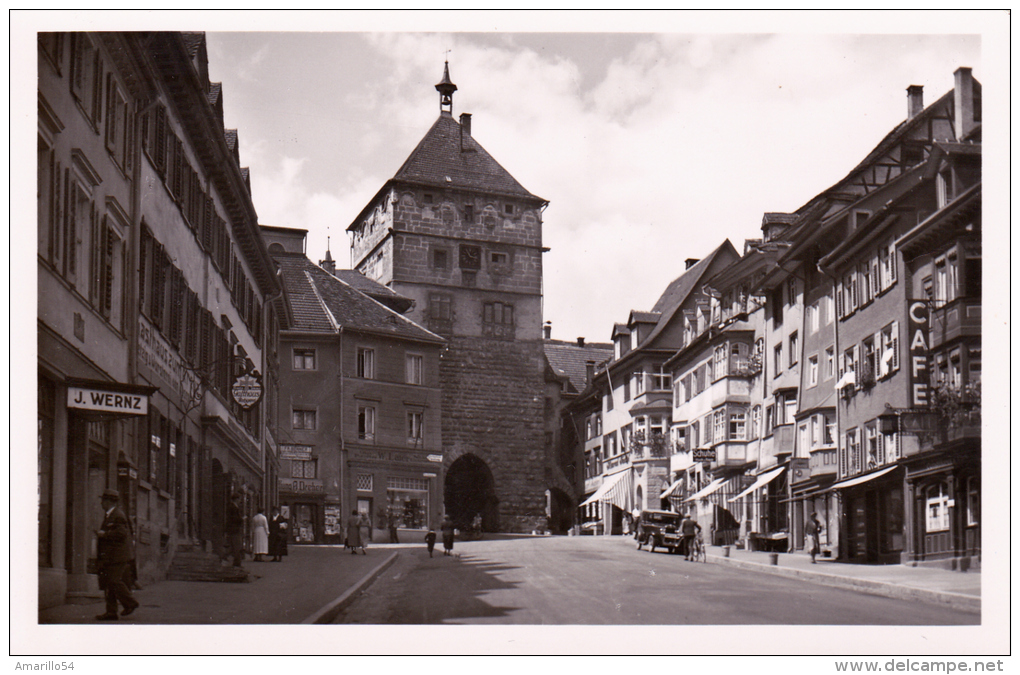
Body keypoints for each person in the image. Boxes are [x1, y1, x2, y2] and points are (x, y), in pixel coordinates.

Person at [95, 489, 139, 620]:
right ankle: (111, 612)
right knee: (109, 583)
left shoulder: (118, 515)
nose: (101, 503)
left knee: (114, 581)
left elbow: (121, 534)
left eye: (103, 500)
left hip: (117, 556)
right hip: (111, 556)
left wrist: (104, 534)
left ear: (109, 502)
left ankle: (131, 603)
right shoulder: (110, 515)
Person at [224, 494, 244, 567]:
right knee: (236, 546)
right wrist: (242, 519)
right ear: (236, 499)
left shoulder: (233, 507)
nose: (240, 501)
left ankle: (235, 561)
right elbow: (233, 519)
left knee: (234, 546)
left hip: (233, 529)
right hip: (234, 529)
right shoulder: (233, 507)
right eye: (239, 499)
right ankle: (236, 562)